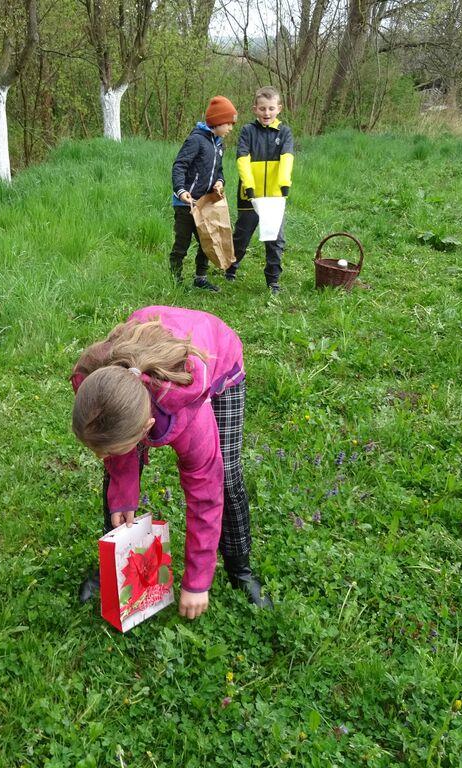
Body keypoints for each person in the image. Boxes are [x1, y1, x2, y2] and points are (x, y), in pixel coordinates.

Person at [71, 305, 272, 618]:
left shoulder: (192, 422)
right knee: (114, 458)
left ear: (147, 427)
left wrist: (197, 582)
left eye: (106, 452)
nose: (100, 458)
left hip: (217, 356)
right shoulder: (95, 381)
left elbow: (205, 496)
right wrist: (122, 496)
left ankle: (240, 568)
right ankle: (114, 560)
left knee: (226, 474)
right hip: (149, 348)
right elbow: (116, 442)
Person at [225, 86, 294, 294]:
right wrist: (249, 186)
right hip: (250, 195)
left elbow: (287, 159)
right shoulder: (248, 131)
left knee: (275, 240)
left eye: (271, 108)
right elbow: (242, 159)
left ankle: (273, 280)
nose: (267, 113)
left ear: (279, 108)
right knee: (242, 235)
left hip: (274, 197)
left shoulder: (285, 132)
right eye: (262, 108)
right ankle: (230, 268)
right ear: (255, 109)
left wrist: (284, 184)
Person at [169, 96, 238, 291]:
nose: (230, 128)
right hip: (186, 204)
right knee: (182, 243)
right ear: (217, 121)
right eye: (228, 124)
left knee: (207, 242)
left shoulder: (219, 144)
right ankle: (175, 279)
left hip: (206, 204)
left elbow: (219, 171)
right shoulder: (196, 140)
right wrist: (181, 190)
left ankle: (200, 278)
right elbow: (179, 165)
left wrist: (219, 182)